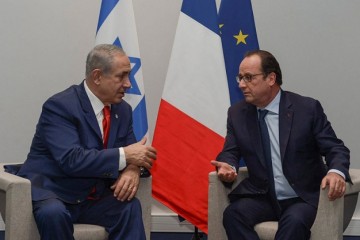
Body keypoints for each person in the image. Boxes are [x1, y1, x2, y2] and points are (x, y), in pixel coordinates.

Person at [16, 44, 157, 240]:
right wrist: (127, 155)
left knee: (129, 207)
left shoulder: (122, 110)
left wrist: (133, 168)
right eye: (121, 76)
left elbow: (136, 154)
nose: (128, 84)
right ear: (97, 76)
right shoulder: (60, 106)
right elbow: (72, 159)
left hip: (92, 197)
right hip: (54, 191)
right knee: (53, 213)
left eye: (129, 76)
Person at [211, 50, 350, 240]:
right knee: (233, 215)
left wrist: (335, 172)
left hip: (301, 197)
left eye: (249, 78)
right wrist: (228, 165)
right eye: (241, 78)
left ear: (271, 78)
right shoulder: (237, 114)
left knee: (294, 222)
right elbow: (230, 152)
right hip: (263, 195)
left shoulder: (306, 109)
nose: (242, 84)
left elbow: (336, 148)